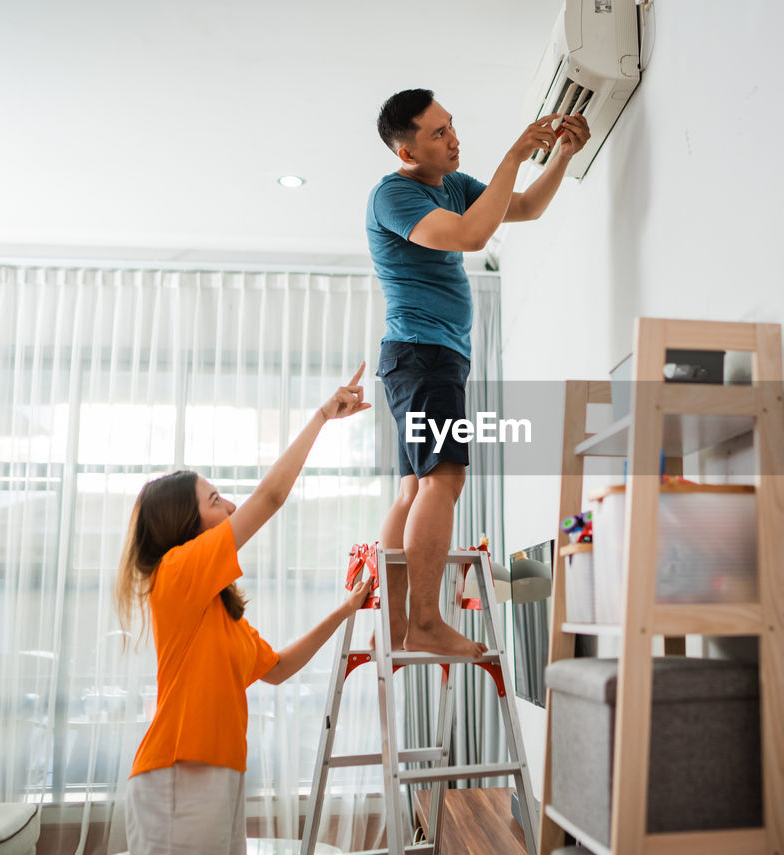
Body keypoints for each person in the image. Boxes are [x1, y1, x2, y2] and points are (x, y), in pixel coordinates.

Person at [366, 88, 590, 659]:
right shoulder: (394, 195)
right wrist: (514, 154)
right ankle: (421, 621)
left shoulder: (453, 187)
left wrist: (560, 156)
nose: (453, 139)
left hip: (426, 360)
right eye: (437, 134)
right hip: (424, 357)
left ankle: (396, 625)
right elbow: (471, 237)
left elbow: (527, 208)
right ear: (405, 149)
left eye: (451, 126)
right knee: (445, 478)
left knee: (415, 488)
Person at [114, 367, 373, 855]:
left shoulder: (214, 609)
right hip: (178, 773)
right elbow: (271, 497)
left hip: (218, 774)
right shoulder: (176, 572)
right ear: (184, 524)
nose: (230, 507)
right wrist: (322, 416)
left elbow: (278, 668)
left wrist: (347, 609)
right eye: (215, 500)